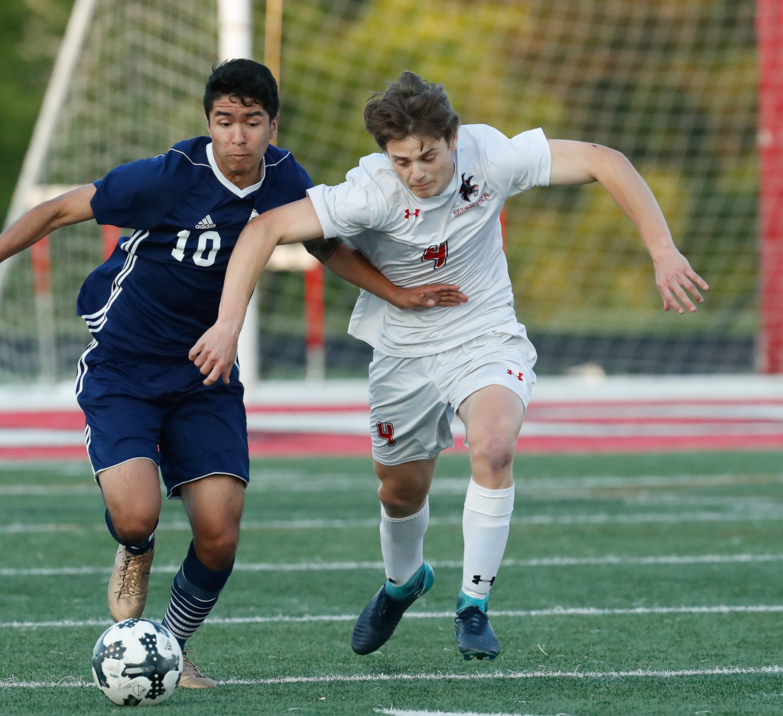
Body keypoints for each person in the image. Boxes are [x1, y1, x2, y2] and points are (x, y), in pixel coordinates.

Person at [0, 60, 463, 687]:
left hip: (206, 375)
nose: (238, 136)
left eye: (252, 122)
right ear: (209, 123)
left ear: (272, 126)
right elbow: (55, 211)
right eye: (225, 121)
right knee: (136, 514)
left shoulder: (287, 180)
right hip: (125, 366)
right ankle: (135, 549)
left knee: (219, 534)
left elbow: (327, 246)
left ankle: (170, 648)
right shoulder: (168, 177)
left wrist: (397, 292)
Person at [188, 71, 708, 661]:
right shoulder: (371, 191)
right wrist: (228, 324)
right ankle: (403, 582)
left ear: (453, 139)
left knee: (492, 448)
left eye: (428, 156)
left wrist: (663, 251)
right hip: (403, 351)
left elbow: (604, 160)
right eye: (402, 159)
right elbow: (265, 229)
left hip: (484, 335)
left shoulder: (491, 157)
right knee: (401, 491)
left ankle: (473, 604)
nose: (417, 172)